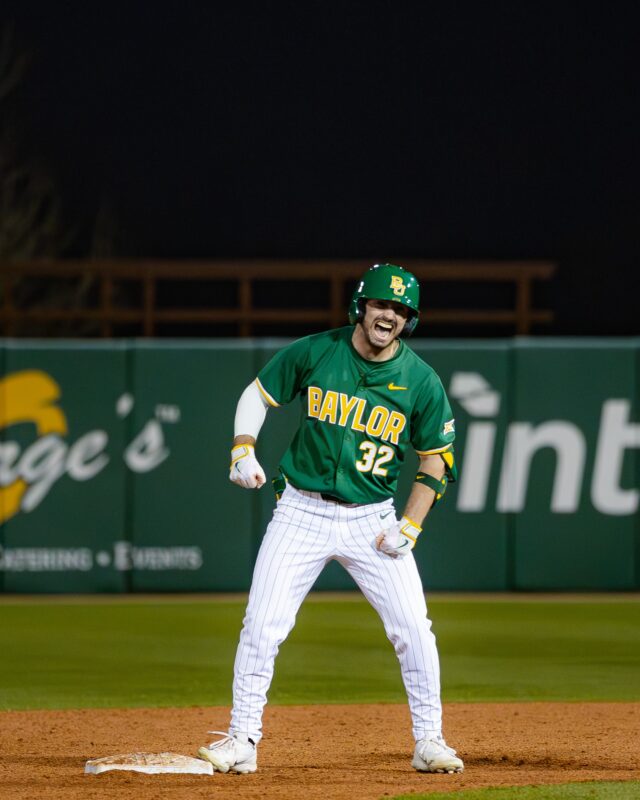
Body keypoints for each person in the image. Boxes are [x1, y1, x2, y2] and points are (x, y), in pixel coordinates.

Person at [198, 263, 463, 775]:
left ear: (410, 320)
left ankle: (429, 740)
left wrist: (410, 525)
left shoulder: (421, 381)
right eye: (383, 305)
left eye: (402, 310)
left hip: (373, 520)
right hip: (301, 511)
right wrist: (242, 447)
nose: (390, 316)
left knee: (413, 628)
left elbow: (436, 459)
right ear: (361, 306)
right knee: (262, 624)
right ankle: (242, 739)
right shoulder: (318, 350)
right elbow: (258, 394)